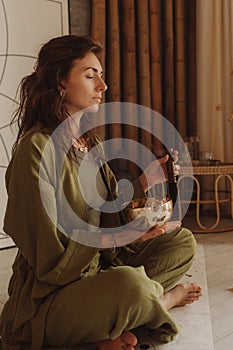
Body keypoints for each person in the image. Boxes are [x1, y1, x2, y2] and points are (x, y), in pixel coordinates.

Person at [0, 35, 202, 350]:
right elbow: (48, 260)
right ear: (61, 82)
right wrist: (120, 237)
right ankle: (156, 301)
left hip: (97, 271)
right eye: (90, 74)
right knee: (131, 286)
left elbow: (106, 211)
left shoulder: (88, 144)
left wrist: (146, 181)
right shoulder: (36, 149)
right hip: (50, 295)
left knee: (181, 242)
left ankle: (116, 319)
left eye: (101, 75)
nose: (103, 85)